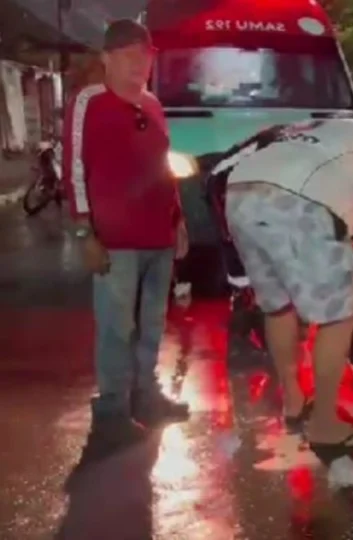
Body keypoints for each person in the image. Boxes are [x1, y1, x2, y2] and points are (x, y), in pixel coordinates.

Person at [213, 118, 353, 461]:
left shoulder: (327, 129)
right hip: (296, 200)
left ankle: (294, 403)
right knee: (340, 315)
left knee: (278, 306)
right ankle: (325, 424)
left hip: (239, 193)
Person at [63, 19, 190, 451]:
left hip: (159, 237)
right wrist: (85, 231)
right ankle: (113, 412)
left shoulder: (153, 105)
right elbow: (74, 170)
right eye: (128, 55)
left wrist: (179, 220)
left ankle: (145, 396)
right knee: (117, 326)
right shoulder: (89, 103)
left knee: (151, 323)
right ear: (106, 59)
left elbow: (163, 167)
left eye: (146, 54)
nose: (140, 63)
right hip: (114, 240)